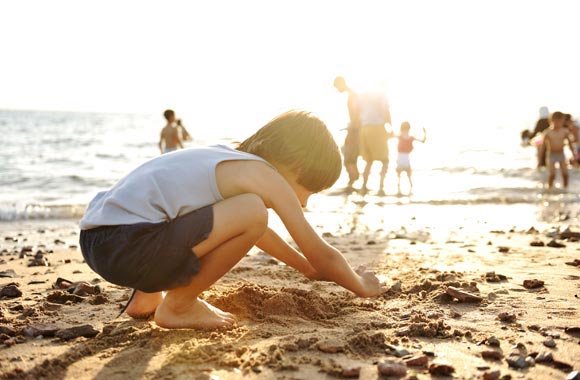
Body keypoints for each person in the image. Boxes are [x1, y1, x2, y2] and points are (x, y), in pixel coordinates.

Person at [79, 110, 386, 330]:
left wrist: (305, 268)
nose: (304, 202)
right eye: (308, 190)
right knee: (253, 209)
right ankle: (180, 305)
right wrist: (361, 285)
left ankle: (146, 299)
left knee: (231, 212)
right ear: (295, 165)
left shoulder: (228, 159)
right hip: (130, 245)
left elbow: (257, 232)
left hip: (99, 240)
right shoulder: (264, 176)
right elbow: (317, 248)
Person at [358, 87, 393, 195]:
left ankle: (363, 187)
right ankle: (381, 187)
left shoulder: (363, 94)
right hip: (377, 127)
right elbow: (386, 111)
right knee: (385, 160)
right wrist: (391, 127)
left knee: (369, 161)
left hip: (364, 128)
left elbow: (357, 110)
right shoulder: (382, 93)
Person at [333, 76, 361, 190]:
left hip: (355, 130)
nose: (337, 90)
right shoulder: (353, 94)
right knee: (349, 156)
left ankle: (353, 182)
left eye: (337, 87)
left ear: (341, 83)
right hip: (355, 128)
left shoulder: (352, 96)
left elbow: (356, 114)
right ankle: (353, 182)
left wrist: (352, 128)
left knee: (349, 157)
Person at [543, 111, 575, 188]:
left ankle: (565, 189)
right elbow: (542, 146)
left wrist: (573, 154)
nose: (558, 124)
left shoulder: (564, 131)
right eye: (556, 122)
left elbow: (570, 143)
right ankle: (549, 188)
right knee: (552, 174)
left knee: (565, 174)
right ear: (551, 121)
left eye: (561, 122)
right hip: (551, 155)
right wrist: (540, 158)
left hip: (561, 154)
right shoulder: (548, 132)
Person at [393, 122, 426, 195]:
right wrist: (425, 133)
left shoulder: (405, 137)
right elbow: (423, 141)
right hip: (402, 158)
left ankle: (405, 191)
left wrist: (425, 133)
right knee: (404, 177)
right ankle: (403, 191)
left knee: (406, 177)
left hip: (403, 158)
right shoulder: (406, 137)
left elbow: (423, 141)